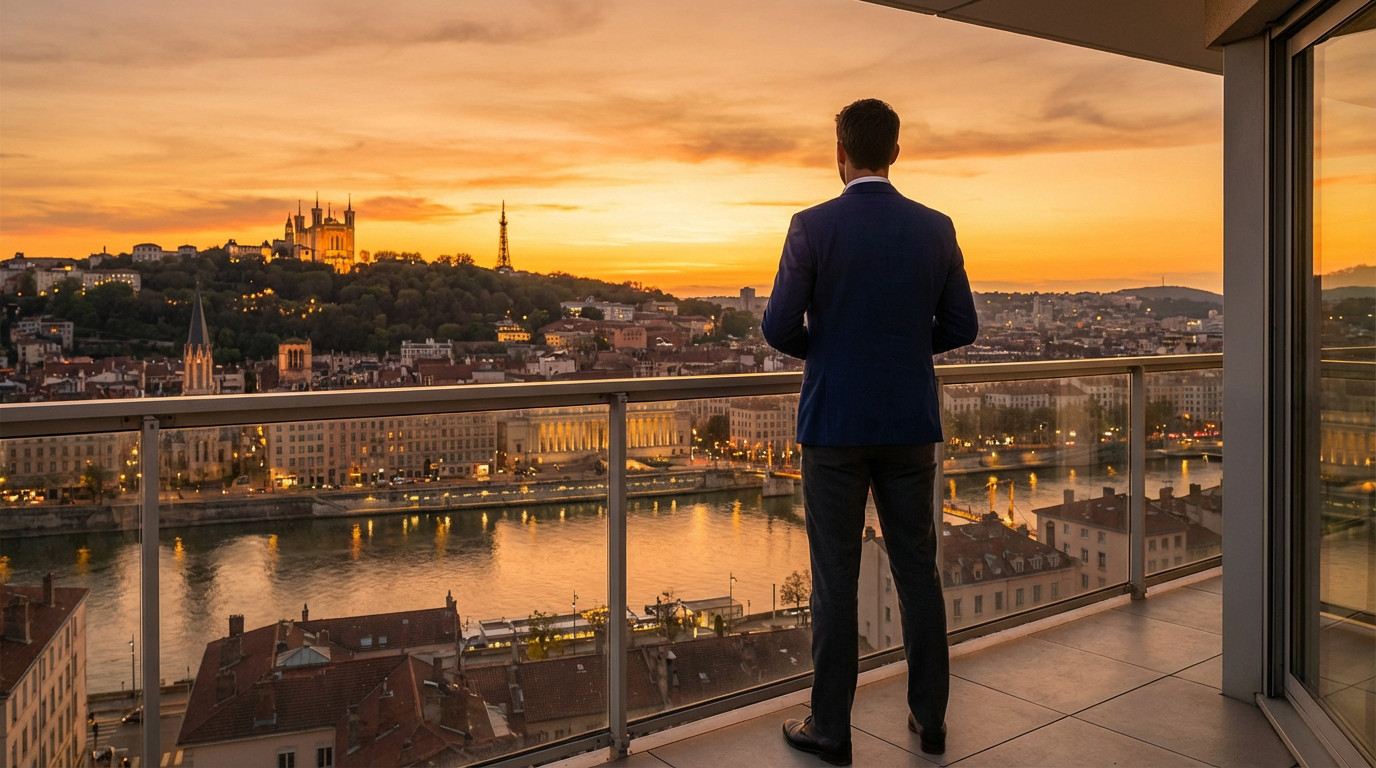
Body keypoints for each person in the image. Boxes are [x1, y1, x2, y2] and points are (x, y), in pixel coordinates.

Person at [762, 98, 978, 765]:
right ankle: (930, 718)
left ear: (840, 153)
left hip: (834, 424)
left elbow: (777, 327)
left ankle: (831, 729)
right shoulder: (936, 228)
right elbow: (962, 326)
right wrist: (904, 347)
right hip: (910, 422)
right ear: (895, 152)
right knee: (918, 571)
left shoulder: (811, 227)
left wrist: (833, 351)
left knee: (835, 578)